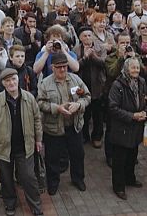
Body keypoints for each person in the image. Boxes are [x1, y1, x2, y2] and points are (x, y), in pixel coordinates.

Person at [0, 68, 44, 216]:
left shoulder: (29, 98)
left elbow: (37, 119)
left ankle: (36, 206)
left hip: (25, 147)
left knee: (28, 178)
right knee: (6, 179)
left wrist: (38, 139)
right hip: (3, 149)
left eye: (13, 79)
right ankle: (10, 203)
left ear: (19, 80)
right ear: (3, 83)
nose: (11, 83)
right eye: (7, 80)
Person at [37, 52, 91, 195]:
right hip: (54, 128)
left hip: (74, 126)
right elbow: (40, 103)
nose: (62, 70)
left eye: (65, 67)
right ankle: (53, 182)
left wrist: (79, 105)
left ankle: (78, 179)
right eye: (59, 67)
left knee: (78, 155)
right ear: (52, 67)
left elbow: (87, 96)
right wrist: (57, 108)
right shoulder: (45, 83)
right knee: (52, 158)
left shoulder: (76, 79)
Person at [107, 56, 147, 200]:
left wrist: (146, 112)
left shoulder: (142, 82)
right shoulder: (117, 85)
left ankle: (130, 179)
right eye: (133, 68)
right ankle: (118, 187)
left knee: (132, 156)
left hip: (136, 128)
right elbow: (113, 108)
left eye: (137, 67)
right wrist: (132, 116)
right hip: (122, 129)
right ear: (126, 69)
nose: (136, 70)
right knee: (120, 160)